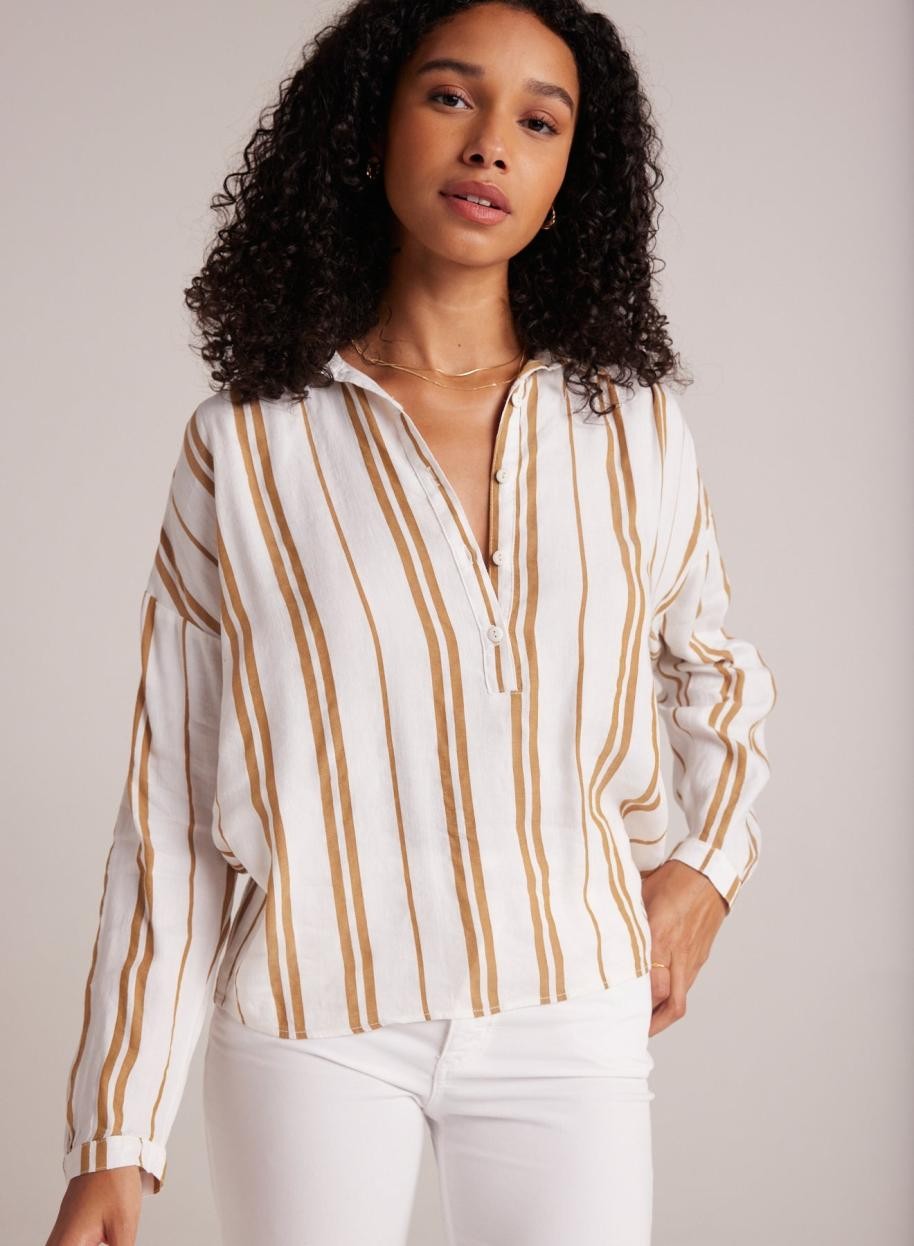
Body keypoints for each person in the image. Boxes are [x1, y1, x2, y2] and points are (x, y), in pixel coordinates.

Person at [45, 1, 777, 1243]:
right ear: (368, 128)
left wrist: (705, 871)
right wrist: (116, 1137)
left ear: (570, 175)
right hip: (312, 1021)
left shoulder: (630, 429)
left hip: (568, 1007)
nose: (489, 142)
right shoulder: (247, 448)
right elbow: (171, 807)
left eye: (537, 121)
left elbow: (713, 671)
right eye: (449, 96)